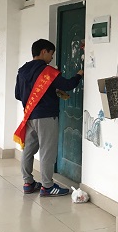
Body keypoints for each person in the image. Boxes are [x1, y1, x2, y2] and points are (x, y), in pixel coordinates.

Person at [15, 39, 84, 197]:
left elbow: (18, 94)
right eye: (51, 53)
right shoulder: (47, 71)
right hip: (46, 116)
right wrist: (79, 75)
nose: (52, 57)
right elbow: (67, 85)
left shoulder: (22, 70)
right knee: (47, 151)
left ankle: (28, 183)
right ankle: (47, 186)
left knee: (28, 150)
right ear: (44, 51)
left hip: (29, 116)